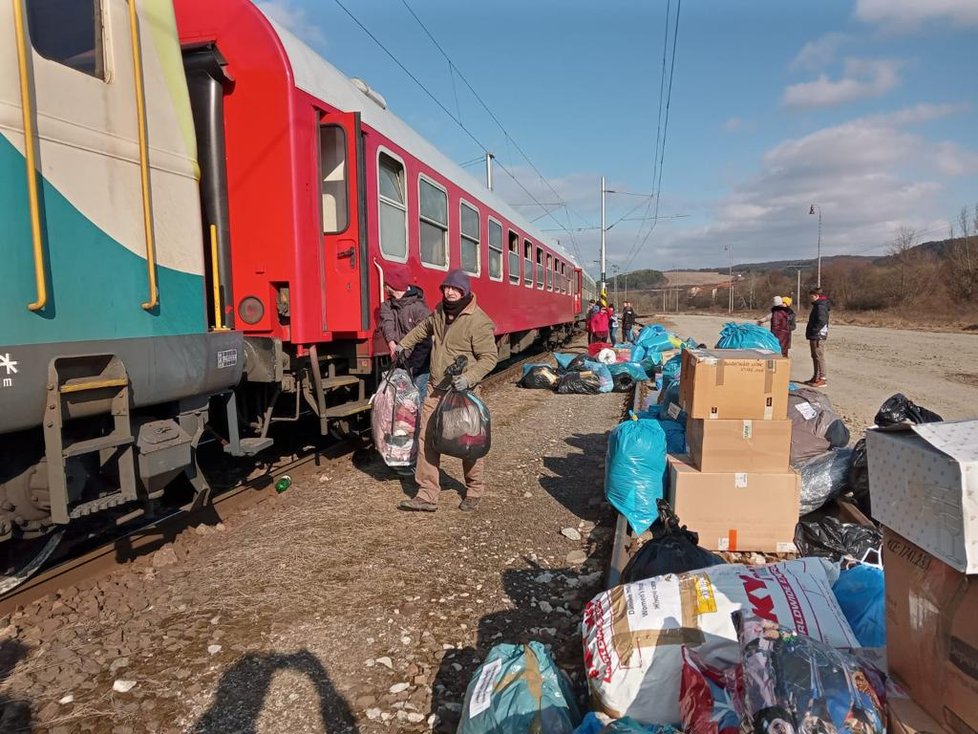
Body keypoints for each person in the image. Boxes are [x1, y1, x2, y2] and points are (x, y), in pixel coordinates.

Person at [395, 269, 499, 512]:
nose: (450, 292)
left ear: (465, 291)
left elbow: (489, 358)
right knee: (426, 438)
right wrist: (403, 344)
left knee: (467, 442)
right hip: (435, 387)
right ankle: (427, 494)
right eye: (446, 288)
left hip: (465, 391)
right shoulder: (440, 312)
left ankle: (474, 490)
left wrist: (469, 377)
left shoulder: (478, 321)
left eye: (455, 289)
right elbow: (424, 329)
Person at [377, 267, 432, 398]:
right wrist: (392, 345)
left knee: (418, 398)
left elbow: (425, 342)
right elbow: (387, 323)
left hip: (419, 363)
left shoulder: (419, 308)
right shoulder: (388, 305)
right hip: (400, 359)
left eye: (386, 283)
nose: (384, 285)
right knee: (402, 399)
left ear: (393, 285)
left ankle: (420, 419)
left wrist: (413, 367)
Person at [805, 287, 830, 387]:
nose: (810, 298)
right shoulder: (817, 305)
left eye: (811, 296)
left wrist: (814, 330)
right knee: (815, 356)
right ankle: (816, 376)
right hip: (814, 335)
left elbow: (821, 320)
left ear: (816, 296)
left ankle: (822, 378)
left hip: (818, 335)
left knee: (819, 356)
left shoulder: (821, 306)